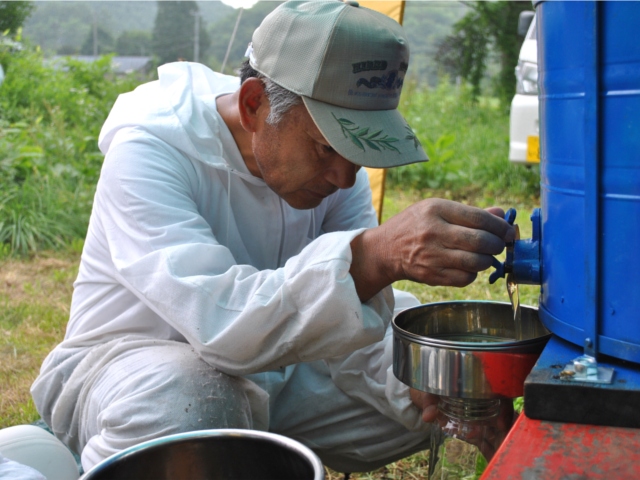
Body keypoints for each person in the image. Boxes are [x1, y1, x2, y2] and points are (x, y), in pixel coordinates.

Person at [31, 0, 514, 474]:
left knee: (432, 374)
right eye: (327, 146)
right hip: (126, 372)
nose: (345, 177)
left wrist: (422, 382)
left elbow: (342, 316)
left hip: (266, 373)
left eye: (359, 150)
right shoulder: (152, 150)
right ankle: (114, 456)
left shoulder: (336, 175)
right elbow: (219, 325)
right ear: (254, 103)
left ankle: (248, 456)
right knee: (194, 397)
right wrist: (373, 256)